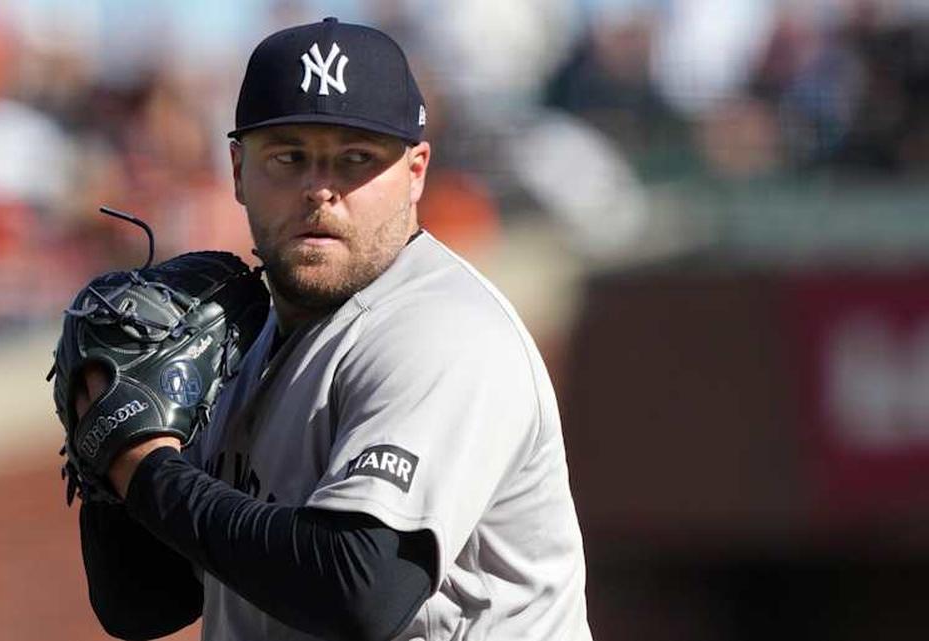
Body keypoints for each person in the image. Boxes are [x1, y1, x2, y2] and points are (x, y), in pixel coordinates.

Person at [75, 17, 592, 641]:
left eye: (356, 159)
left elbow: (360, 589)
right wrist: (106, 452)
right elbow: (144, 606)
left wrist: (145, 470)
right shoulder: (239, 348)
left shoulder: (443, 334)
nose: (321, 190)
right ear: (237, 171)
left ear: (417, 170)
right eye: (289, 157)